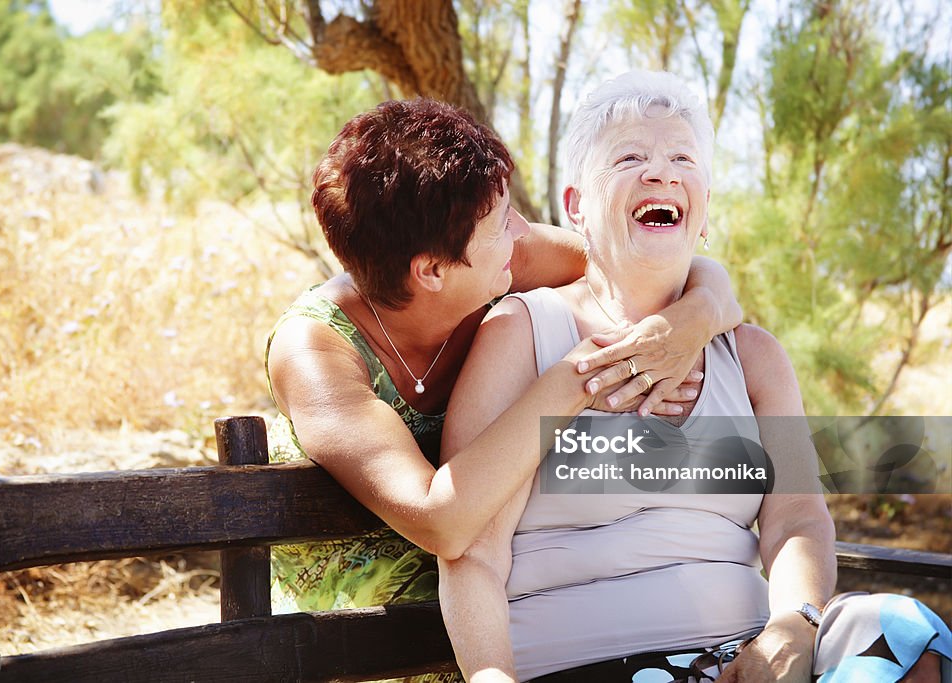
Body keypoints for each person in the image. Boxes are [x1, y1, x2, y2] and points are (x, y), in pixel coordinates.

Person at [437, 71, 952, 682]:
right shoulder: (521, 335)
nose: (662, 172)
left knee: (906, 635)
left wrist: (793, 625)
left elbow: (797, 519)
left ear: (703, 209)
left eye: (683, 156)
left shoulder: (754, 357)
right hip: (589, 663)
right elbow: (473, 549)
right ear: (576, 206)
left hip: (744, 660)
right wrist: (490, 677)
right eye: (630, 157)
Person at [264, 98, 745, 623]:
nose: (522, 230)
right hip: (359, 630)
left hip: (504, 598)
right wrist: (579, 378)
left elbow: (652, 265)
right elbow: (439, 520)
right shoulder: (316, 352)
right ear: (431, 270)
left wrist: (690, 320)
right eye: (500, 223)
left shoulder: (503, 256)